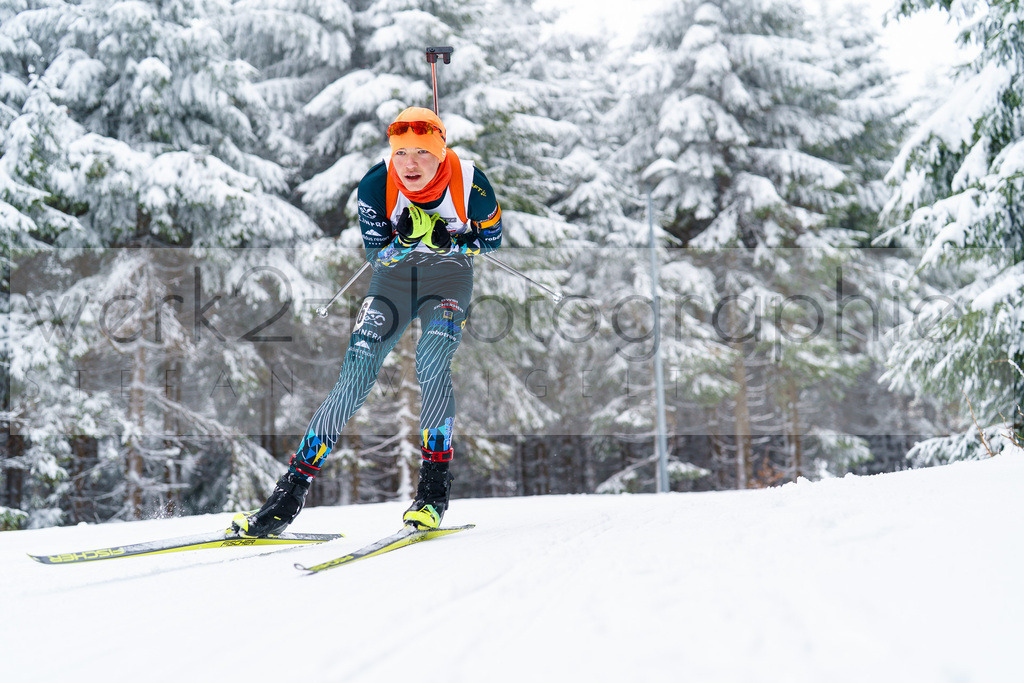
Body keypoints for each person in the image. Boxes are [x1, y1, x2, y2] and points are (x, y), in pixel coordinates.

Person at [232, 106, 502, 537]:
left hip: (448, 278)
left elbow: (492, 239)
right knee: (355, 373)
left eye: (420, 153)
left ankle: (432, 493)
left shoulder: (471, 181)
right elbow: (377, 256)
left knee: (431, 362)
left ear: (440, 151)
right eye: (400, 153)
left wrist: (453, 239)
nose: (409, 164)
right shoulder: (377, 185)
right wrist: (408, 240)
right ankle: (288, 495)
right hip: (393, 282)